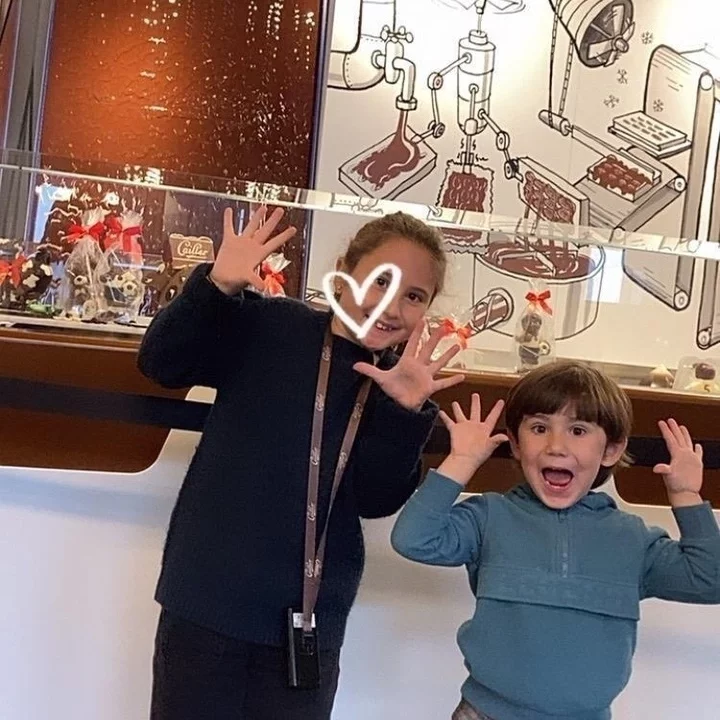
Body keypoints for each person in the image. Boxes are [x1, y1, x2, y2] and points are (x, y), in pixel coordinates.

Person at [138, 205, 465, 720]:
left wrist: (403, 412)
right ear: (344, 271)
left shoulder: (398, 382)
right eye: (381, 281)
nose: (391, 305)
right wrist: (216, 286)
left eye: (414, 296)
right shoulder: (272, 325)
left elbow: (376, 499)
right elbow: (162, 364)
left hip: (309, 623)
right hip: (206, 602)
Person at [391, 361, 720, 720]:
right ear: (516, 443)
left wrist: (686, 495)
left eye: (578, 430)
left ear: (611, 450)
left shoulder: (633, 540)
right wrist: (461, 461)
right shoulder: (488, 517)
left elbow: (710, 580)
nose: (556, 446)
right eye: (539, 428)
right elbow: (413, 539)